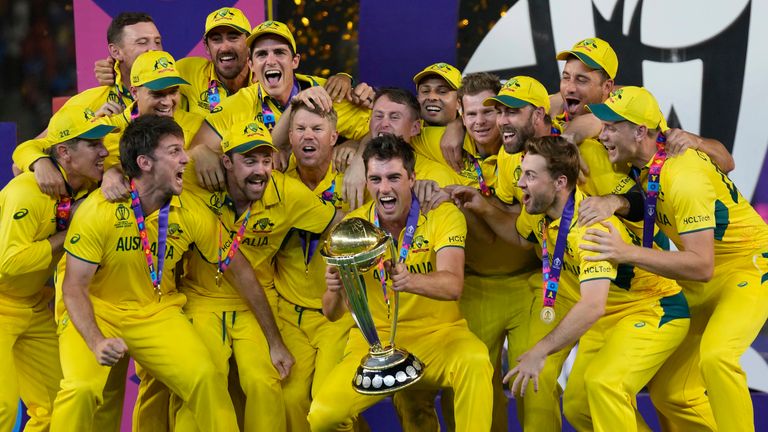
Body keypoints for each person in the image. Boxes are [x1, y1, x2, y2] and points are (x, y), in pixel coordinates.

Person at [452, 135, 690, 431]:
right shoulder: (539, 212)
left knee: (604, 385)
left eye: (530, 175)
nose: (521, 184)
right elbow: (519, 237)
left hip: (652, 310)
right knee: (579, 407)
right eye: (522, 174)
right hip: (609, 320)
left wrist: (540, 351)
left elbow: (592, 305)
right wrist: (482, 206)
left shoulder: (590, 229)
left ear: (560, 182)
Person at [49, 115, 271, 431]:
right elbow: (73, 288)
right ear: (145, 162)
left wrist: (274, 340)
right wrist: (97, 341)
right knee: (81, 390)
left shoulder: (190, 210)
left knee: (205, 377)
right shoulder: (98, 211)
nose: (186, 158)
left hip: (156, 311)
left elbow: (239, 270)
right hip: (98, 310)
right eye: (175, 151)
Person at [586, 86, 768, 431]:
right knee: (672, 392)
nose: (603, 134)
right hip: (705, 272)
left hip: (749, 265)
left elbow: (701, 266)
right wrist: (618, 201)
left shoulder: (682, 176)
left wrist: (626, 253)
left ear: (640, 131)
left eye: (611, 127)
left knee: (718, 357)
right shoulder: (645, 155)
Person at [308, 134, 493, 432]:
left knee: (475, 359)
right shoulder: (351, 229)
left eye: (394, 177)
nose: (384, 188)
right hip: (373, 343)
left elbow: (452, 285)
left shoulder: (440, 214)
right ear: (367, 181)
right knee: (323, 416)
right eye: (376, 179)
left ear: (411, 178)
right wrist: (334, 289)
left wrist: (409, 280)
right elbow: (331, 313)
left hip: (439, 336)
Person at [180, 116, 342, 431]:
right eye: (249, 160)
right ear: (226, 162)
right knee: (203, 378)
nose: (260, 170)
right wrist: (195, 152)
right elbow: (149, 171)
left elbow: (339, 222)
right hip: (202, 298)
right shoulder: (196, 179)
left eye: (266, 160)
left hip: (256, 301)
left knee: (265, 381)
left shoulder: (287, 193)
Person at [0, 105, 114, 431]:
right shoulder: (26, 192)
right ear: (63, 152)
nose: (104, 151)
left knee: (54, 410)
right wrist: (69, 232)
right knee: (3, 411)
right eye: (93, 145)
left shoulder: (85, 187)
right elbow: (8, 263)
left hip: (34, 306)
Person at [189, 20, 371, 190]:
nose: (270, 60)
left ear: (295, 61)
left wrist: (357, 150)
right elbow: (192, 153)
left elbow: (386, 128)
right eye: (261, 54)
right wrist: (199, 152)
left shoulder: (328, 93)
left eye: (279, 52)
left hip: (328, 203)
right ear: (251, 64)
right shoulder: (237, 105)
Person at [272, 100, 357, 431]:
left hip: (338, 315)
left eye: (318, 129)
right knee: (290, 401)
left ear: (334, 137)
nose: (309, 136)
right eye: (301, 129)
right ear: (289, 137)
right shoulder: (274, 179)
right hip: (289, 314)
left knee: (329, 407)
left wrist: (361, 155)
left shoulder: (352, 180)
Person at [13, 12, 162, 199]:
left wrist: (113, 170)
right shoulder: (88, 103)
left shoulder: (178, 94)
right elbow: (23, 158)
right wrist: (40, 161)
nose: (154, 49)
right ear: (116, 52)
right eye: (142, 42)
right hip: (108, 213)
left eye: (157, 42)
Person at [176, 7, 253, 115]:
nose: (225, 48)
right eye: (216, 39)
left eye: (233, 37)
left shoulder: (265, 83)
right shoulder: (187, 71)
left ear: (249, 43)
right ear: (207, 47)